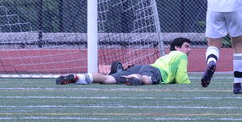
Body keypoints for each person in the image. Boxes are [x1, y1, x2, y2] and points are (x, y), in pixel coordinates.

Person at [55, 37, 191, 86]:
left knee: (108, 79)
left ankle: (79, 77)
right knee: (147, 79)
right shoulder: (181, 56)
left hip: (143, 66)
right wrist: (187, 83)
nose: (189, 50)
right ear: (177, 47)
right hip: (154, 71)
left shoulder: (165, 56)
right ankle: (133, 78)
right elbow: (181, 78)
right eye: (186, 46)